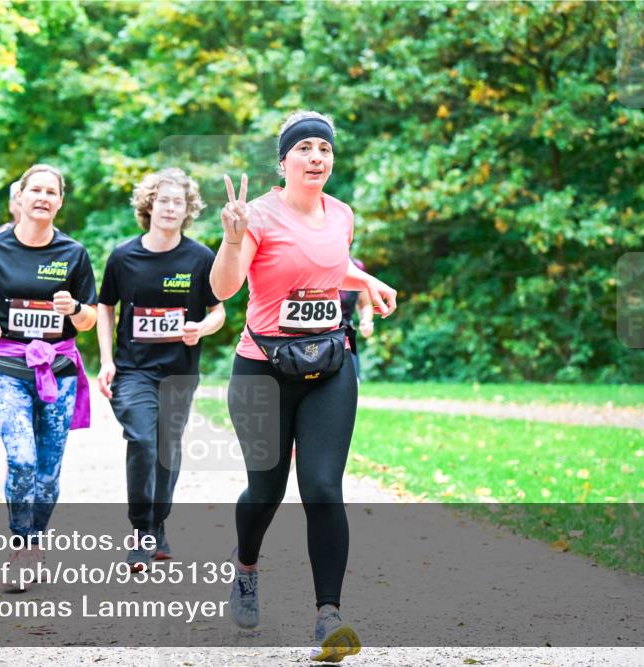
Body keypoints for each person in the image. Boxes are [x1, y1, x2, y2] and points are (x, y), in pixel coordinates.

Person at [209, 111, 397, 662]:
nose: (318, 157)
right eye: (306, 148)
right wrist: (231, 238)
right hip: (262, 369)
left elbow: (325, 266)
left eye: (325, 149)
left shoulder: (341, 215)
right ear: (284, 160)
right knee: (265, 489)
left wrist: (368, 280)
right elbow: (224, 288)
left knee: (321, 485)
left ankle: (328, 617)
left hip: (328, 364)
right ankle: (245, 568)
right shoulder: (259, 217)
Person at [0, 164, 97, 588]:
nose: (42, 197)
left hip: (59, 368)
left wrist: (72, 309)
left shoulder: (73, 254)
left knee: (48, 473)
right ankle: (21, 545)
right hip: (7, 364)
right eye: (34, 189)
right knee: (21, 458)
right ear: (19, 197)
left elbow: (91, 318)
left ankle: (36, 538)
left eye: (50, 191)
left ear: (60, 201)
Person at [96, 168, 225, 571]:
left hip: (179, 372)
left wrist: (200, 328)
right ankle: (141, 531)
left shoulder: (201, 257)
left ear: (188, 210)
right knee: (143, 440)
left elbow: (218, 311)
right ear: (150, 204)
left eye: (179, 202)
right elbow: (106, 307)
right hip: (134, 370)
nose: (171, 208)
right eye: (164, 200)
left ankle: (158, 521)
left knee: (168, 448)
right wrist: (106, 359)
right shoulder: (123, 256)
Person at [339, 258, 375, 380]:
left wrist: (366, 320)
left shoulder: (357, 266)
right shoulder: (313, 263)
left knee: (353, 383)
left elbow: (365, 303)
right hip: (319, 335)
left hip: (347, 334)